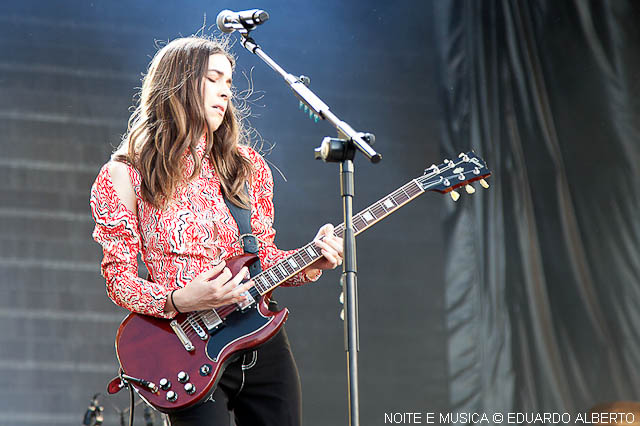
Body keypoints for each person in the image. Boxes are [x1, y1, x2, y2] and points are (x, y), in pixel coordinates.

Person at [89, 36, 343, 426]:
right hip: (189, 350)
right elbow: (119, 281)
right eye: (214, 79)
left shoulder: (244, 165)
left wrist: (311, 261)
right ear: (179, 84)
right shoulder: (123, 174)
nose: (226, 91)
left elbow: (264, 258)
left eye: (229, 82)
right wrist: (180, 298)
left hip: (262, 340)